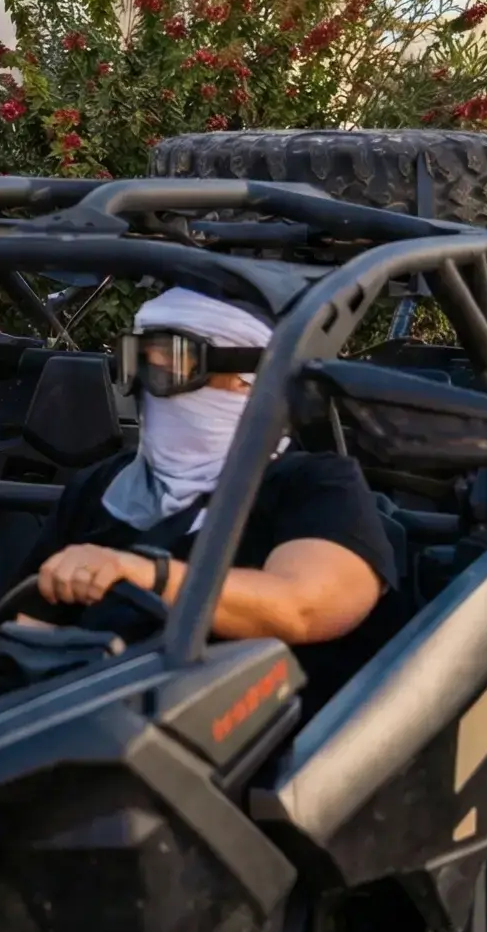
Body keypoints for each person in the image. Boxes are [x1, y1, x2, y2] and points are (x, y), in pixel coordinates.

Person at [29, 286, 403, 713]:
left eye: (176, 367)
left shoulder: (316, 484)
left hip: (261, 749)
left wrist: (144, 574)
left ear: (251, 382)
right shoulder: (103, 487)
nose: (154, 389)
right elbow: (18, 633)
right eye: (141, 363)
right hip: (88, 738)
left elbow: (304, 607)